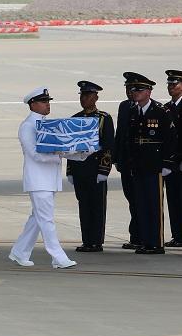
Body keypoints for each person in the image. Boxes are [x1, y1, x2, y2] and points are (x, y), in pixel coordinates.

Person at [11, 87, 77, 269]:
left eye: (48, 101)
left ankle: (19, 252)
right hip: (38, 180)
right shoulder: (28, 126)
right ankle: (58, 257)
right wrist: (61, 154)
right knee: (46, 220)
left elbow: (59, 149)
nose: (48, 104)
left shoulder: (46, 125)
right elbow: (35, 155)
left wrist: (79, 154)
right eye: (43, 101)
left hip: (48, 180)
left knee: (37, 219)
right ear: (33, 104)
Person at [114, 73, 176, 254]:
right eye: (134, 90)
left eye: (139, 90)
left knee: (154, 205)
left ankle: (156, 242)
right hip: (138, 166)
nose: (135, 92)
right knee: (141, 204)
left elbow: (170, 139)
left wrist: (167, 163)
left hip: (154, 166)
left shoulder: (160, 111)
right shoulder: (134, 111)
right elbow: (129, 139)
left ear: (148, 92)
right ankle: (145, 240)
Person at [67, 81, 114, 252]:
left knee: (97, 206)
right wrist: (70, 171)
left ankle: (96, 241)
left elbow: (108, 146)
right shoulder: (74, 119)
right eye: (82, 95)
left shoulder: (103, 118)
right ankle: (86, 240)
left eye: (87, 95)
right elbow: (70, 148)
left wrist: (104, 170)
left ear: (96, 97)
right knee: (84, 205)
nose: (84, 99)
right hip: (80, 170)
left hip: (95, 170)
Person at [163, 70, 182, 248]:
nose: (172, 87)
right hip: (171, 162)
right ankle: (177, 234)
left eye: (175, 84)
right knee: (173, 199)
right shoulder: (166, 108)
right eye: (169, 85)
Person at [112, 84, 140, 249]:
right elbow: (120, 133)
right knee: (131, 200)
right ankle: (135, 235)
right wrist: (116, 158)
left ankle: (142, 235)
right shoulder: (124, 106)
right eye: (128, 89)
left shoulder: (148, 107)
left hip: (139, 164)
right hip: (125, 163)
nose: (130, 92)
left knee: (140, 200)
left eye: (134, 89)